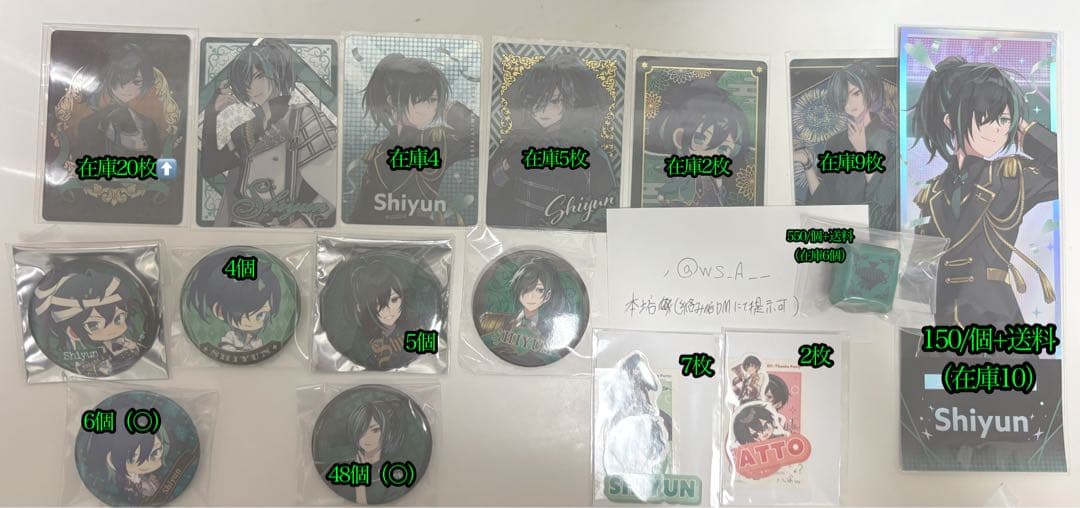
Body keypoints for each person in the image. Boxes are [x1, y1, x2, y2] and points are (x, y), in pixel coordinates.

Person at [909, 56, 1057, 326]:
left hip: (996, 324)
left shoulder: (1011, 176)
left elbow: (1071, 174)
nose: (998, 128)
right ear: (951, 120)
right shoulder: (930, 194)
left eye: (1004, 119)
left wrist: (1030, 135)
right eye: (986, 117)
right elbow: (918, 276)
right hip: (944, 328)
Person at [200, 38, 336, 227]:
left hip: (283, 227)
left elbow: (335, 186)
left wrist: (305, 222)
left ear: (278, 73)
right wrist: (211, 114)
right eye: (246, 80)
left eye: (259, 76)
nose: (252, 88)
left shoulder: (303, 116)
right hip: (241, 225)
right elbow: (210, 167)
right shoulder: (246, 129)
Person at [487, 53, 617, 229]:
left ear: (572, 103)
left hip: (567, 239)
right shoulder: (516, 143)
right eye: (535, 101)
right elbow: (488, 193)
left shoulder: (589, 152)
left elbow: (605, 210)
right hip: (517, 237)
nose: (543, 110)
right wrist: (507, 165)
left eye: (554, 101)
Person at [350, 54, 479, 225]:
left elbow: (483, 140)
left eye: (433, 100)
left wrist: (451, 110)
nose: (428, 107)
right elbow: (362, 212)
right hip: (386, 235)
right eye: (420, 99)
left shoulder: (437, 141)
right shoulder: (377, 153)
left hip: (425, 234)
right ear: (393, 102)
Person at [804, 61, 899, 230]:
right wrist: (807, 166)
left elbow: (885, 204)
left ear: (870, 91)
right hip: (838, 232)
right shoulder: (835, 142)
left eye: (856, 93)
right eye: (843, 97)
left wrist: (862, 152)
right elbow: (825, 198)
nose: (850, 103)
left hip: (873, 233)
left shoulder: (890, 140)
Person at [647, 79, 749, 206]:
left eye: (724, 149)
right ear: (679, 138)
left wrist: (718, 184)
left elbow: (719, 199)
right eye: (701, 139)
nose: (712, 154)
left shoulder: (716, 174)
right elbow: (674, 184)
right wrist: (664, 195)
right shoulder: (684, 168)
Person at [33, 266, 141, 375]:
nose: (112, 329)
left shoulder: (130, 338)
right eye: (94, 325)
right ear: (72, 332)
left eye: (119, 317)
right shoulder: (76, 356)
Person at [184, 251, 281, 352]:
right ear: (219, 311)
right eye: (259, 315)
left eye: (265, 314)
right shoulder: (231, 337)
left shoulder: (255, 339)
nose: (263, 320)